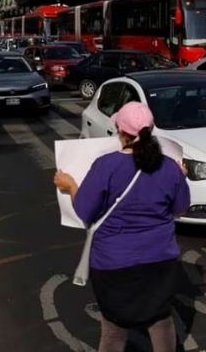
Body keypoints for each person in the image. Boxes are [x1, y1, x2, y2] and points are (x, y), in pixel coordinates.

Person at [53, 102, 190, 352]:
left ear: (120, 131)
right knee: (160, 320)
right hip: (161, 260)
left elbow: (85, 211)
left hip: (113, 263)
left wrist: (71, 185)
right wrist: (180, 176)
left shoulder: (106, 165)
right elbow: (181, 209)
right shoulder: (170, 167)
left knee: (114, 329)